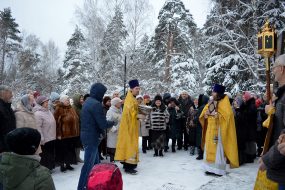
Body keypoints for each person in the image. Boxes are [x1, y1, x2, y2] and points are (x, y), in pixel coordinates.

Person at [78, 83, 115, 190]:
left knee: (97, 165)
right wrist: (113, 122)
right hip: (92, 138)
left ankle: (96, 184)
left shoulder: (87, 102)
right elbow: (102, 124)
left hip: (86, 136)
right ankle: (81, 187)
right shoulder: (96, 104)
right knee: (88, 166)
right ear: (99, 93)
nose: (103, 96)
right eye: (102, 93)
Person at [199, 84, 239, 176]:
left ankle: (218, 170)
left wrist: (217, 115)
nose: (212, 93)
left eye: (214, 92)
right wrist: (205, 115)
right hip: (210, 129)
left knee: (218, 150)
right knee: (208, 148)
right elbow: (205, 112)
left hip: (219, 131)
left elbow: (228, 116)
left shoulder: (225, 102)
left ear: (218, 93)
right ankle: (209, 168)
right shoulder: (212, 101)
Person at [259, 54, 285, 189]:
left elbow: (284, 138)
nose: (273, 71)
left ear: (281, 69)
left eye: (274, 68)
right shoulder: (280, 95)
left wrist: (268, 160)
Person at [115, 79, 140, 174]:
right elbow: (130, 113)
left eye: (139, 88)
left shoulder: (132, 97)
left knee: (129, 145)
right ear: (132, 89)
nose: (138, 90)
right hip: (129, 127)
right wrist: (138, 115)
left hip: (131, 127)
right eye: (136, 88)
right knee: (129, 146)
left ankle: (128, 164)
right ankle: (129, 166)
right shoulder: (129, 99)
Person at [54, 95, 79, 172]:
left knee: (70, 150)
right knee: (63, 150)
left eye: (68, 100)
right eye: (66, 100)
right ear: (62, 101)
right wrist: (58, 134)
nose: (68, 101)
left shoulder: (71, 108)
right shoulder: (59, 109)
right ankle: (62, 165)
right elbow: (56, 123)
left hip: (72, 134)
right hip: (63, 134)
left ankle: (68, 164)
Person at [33, 96, 57, 171]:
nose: (47, 103)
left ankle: (51, 167)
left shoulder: (48, 111)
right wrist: (41, 139)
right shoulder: (37, 114)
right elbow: (38, 127)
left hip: (52, 136)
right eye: (45, 102)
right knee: (45, 155)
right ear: (41, 103)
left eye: (47, 101)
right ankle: (46, 168)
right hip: (45, 138)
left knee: (50, 153)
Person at [239, 91, 257, 163]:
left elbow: (249, 114)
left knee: (250, 142)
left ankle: (251, 156)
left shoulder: (251, 104)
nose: (243, 98)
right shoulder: (247, 104)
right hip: (248, 126)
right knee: (248, 141)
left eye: (244, 97)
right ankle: (249, 156)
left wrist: (243, 110)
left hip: (250, 126)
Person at [106, 97, 122, 162]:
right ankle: (112, 159)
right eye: (119, 102)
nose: (121, 103)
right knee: (113, 146)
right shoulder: (110, 111)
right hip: (113, 132)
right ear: (115, 104)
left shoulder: (120, 110)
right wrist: (114, 129)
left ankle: (117, 157)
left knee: (117, 145)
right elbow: (107, 121)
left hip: (120, 131)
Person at [0, 85, 16, 153]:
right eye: (10, 93)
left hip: (9, 145)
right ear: (2, 94)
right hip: (2, 148)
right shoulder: (1, 108)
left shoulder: (8, 107)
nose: (12, 95)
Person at [195, 94, 209, 160]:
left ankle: (201, 155)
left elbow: (198, 117)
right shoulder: (207, 106)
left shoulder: (202, 107)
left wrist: (194, 120)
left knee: (200, 140)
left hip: (200, 126)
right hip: (204, 126)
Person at [72, 94, 84, 163]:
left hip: (80, 127)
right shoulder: (74, 108)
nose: (82, 100)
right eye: (80, 99)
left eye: (82, 99)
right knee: (76, 143)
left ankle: (77, 157)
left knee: (79, 143)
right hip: (76, 128)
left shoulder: (81, 107)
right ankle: (76, 157)